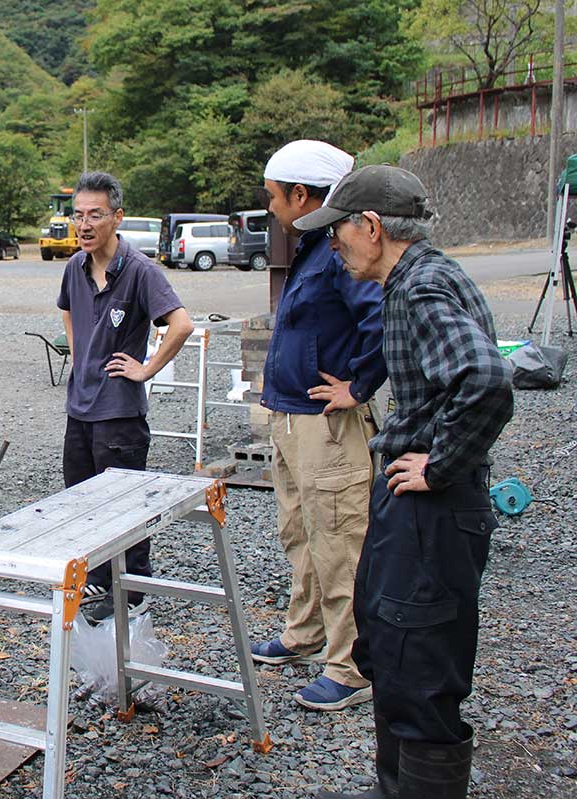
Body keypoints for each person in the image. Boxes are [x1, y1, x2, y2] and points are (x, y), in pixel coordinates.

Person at [293, 166, 513, 799]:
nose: (332, 243)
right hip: (413, 504)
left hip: (434, 510)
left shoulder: (420, 288)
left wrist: (438, 464)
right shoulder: (415, 278)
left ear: (371, 226)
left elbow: (487, 382)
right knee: (388, 647)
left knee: (419, 668)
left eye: (338, 230)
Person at [249, 140, 388, 713]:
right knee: (301, 533)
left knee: (339, 541)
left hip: (327, 426)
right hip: (293, 416)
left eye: (274, 197)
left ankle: (351, 665)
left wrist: (358, 387)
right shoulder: (313, 243)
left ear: (302, 195)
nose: (271, 207)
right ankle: (306, 632)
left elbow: (384, 316)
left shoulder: (340, 249)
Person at [57, 171, 194, 624]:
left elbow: (181, 324)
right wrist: (82, 360)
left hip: (120, 412)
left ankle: (133, 589)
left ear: (117, 217)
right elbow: (66, 312)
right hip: (80, 408)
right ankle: (97, 579)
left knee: (123, 505)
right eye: (78, 215)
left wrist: (146, 368)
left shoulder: (139, 271)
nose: (85, 224)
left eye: (95, 214)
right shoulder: (74, 267)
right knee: (80, 500)